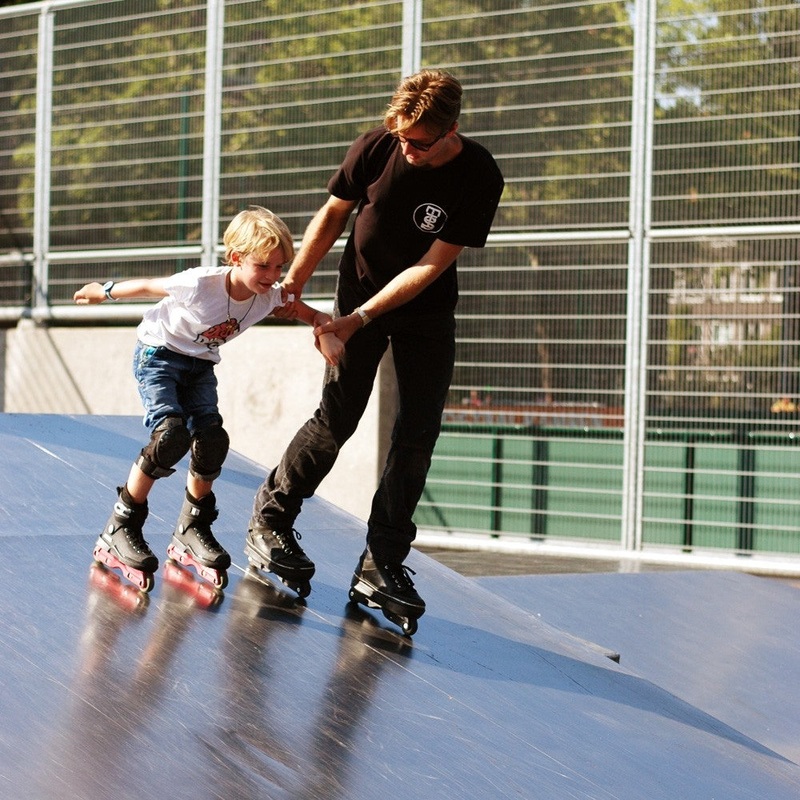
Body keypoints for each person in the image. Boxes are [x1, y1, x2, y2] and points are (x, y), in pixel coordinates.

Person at [246, 69, 504, 630]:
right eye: (401, 136)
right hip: (356, 292)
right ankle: (272, 519)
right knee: (338, 417)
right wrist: (294, 283)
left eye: (419, 141)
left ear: (451, 130)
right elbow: (333, 215)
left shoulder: (479, 174)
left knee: (417, 433)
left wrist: (357, 321)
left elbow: (433, 263)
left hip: (423, 311)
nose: (406, 149)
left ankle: (382, 560)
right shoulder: (376, 146)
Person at [73, 206, 344, 592]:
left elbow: (313, 314)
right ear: (236, 258)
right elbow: (151, 286)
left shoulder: (268, 296)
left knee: (213, 439)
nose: (272, 277)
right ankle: (121, 525)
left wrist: (326, 332)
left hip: (200, 366)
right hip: (159, 356)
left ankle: (192, 526)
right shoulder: (202, 283)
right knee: (171, 437)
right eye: (263, 266)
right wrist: (105, 290)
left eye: (279, 268)